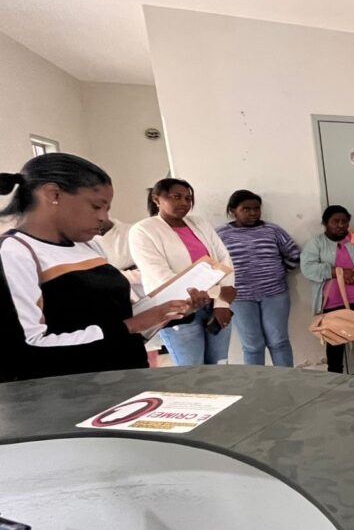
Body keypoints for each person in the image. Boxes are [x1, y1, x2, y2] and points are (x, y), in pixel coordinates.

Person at [0, 154, 195, 382]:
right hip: (70, 391)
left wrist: (167, 313)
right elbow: (28, 347)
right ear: (53, 194)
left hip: (124, 378)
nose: (104, 217)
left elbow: (116, 323)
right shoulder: (15, 252)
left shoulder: (88, 246)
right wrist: (129, 326)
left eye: (107, 208)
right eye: (96, 206)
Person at [129, 178, 236, 366]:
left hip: (214, 307)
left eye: (188, 198)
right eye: (176, 197)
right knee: (192, 371)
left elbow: (223, 260)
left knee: (220, 366)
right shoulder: (143, 230)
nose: (184, 203)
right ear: (156, 199)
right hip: (178, 310)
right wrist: (218, 293)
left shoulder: (200, 223)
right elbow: (161, 277)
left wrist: (222, 303)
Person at [216, 190, 300, 367]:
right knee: (253, 346)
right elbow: (212, 265)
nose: (253, 213)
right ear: (233, 210)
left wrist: (277, 273)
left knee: (279, 341)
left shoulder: (273, 230)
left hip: (275, 294)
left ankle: (287, 380)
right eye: (246, 209)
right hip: (240, 297)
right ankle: (257, 382)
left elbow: (293, 254)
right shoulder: (221, 234)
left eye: (256, 208)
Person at [300, 205, 354, 378]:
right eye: (335, 221)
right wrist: (336, 272)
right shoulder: (316, 243)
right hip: (333, 303)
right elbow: (307, 268)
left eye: (344, 221)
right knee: (334, 343)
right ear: (325, 223)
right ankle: (335, 379)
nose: (340, 225)